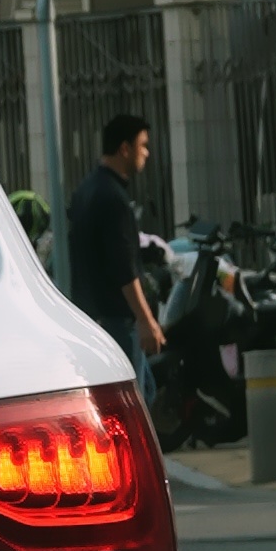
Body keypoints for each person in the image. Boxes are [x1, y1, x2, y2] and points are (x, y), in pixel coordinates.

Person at [68, 108, 164, 384]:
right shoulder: (114, 198)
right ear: (125, 149)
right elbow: (124, 267)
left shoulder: (86, 190)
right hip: (117, 322)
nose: (146, 153)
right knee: (134, 402)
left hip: (92, 316)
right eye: (142, 146)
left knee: (145, 391)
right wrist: (146, 320)